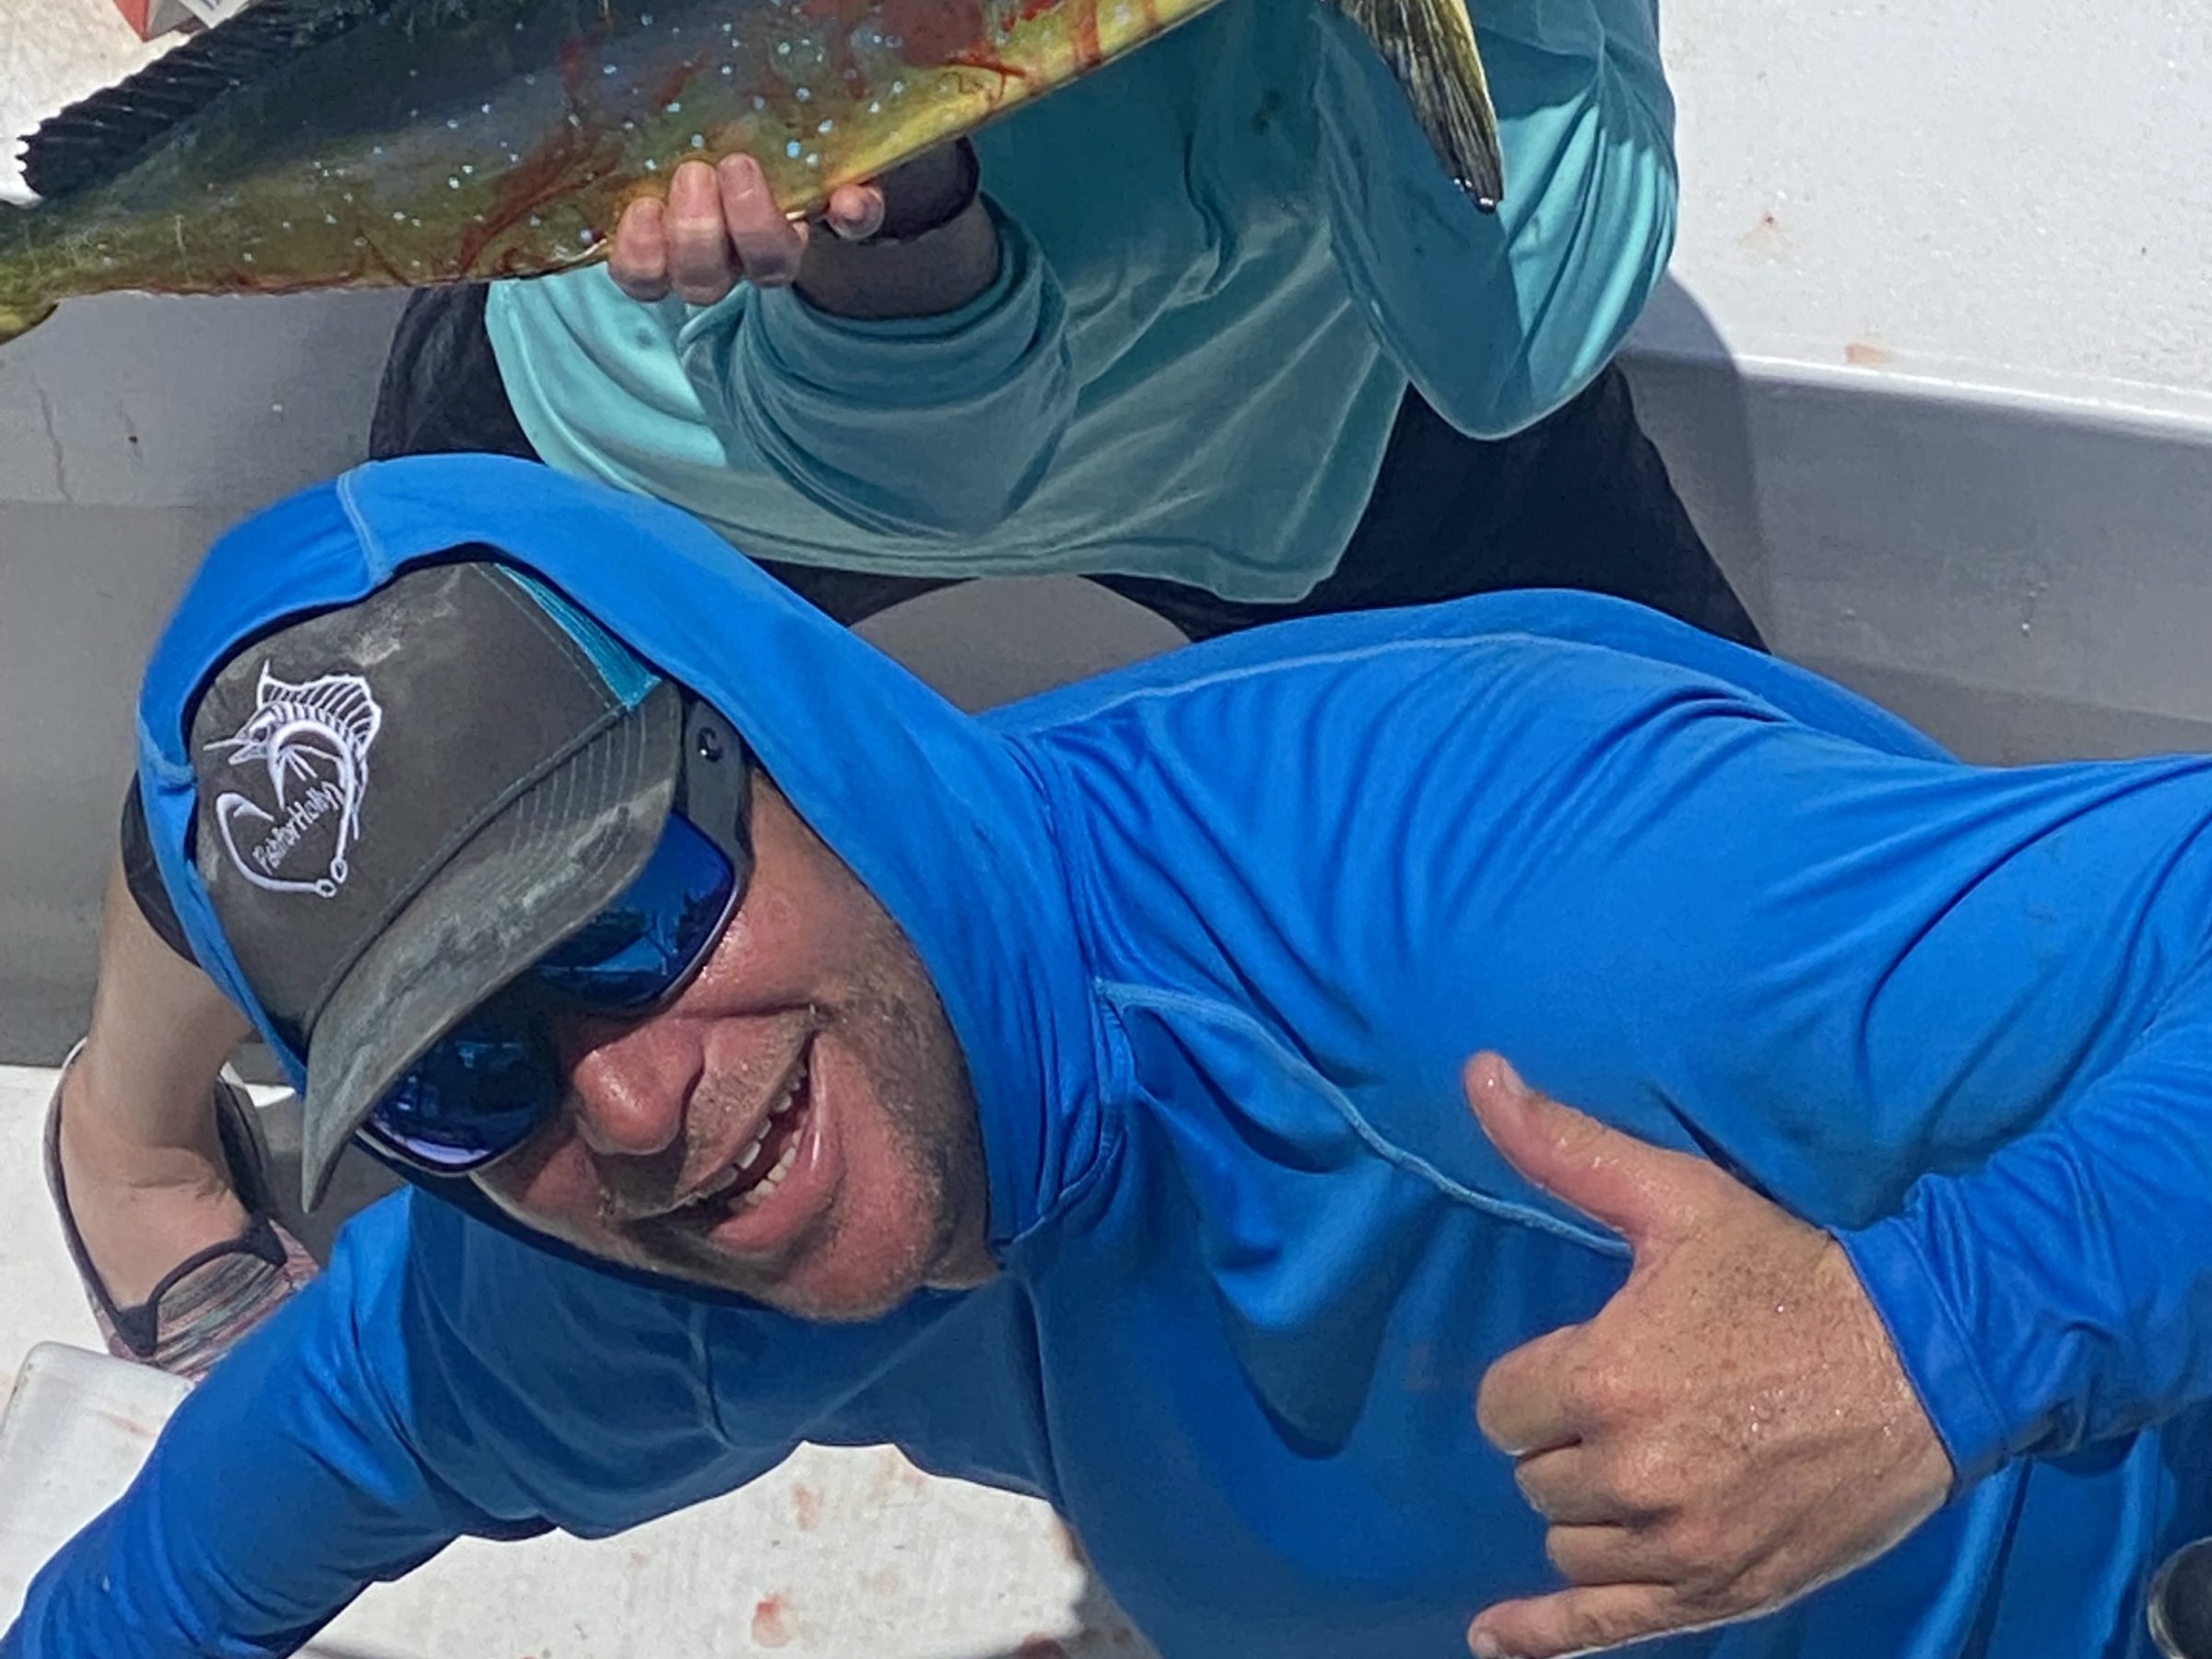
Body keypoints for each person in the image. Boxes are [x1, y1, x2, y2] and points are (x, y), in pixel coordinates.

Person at [12, 453, 2212, 1659]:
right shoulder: (593, 1267)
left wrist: (1936, 1333)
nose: (623, 1096)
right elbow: (198, 1556)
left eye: (638, 913)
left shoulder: (1505, 913)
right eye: (463, 1074)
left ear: (804, 730)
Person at [51, 0, 1759, 1381]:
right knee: (340, 787)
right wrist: (899, 238)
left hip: (1297, 397)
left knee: (1701, 804)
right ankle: (128, 1134)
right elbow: (927, 461)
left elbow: (1511, 338)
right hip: (702, 398)